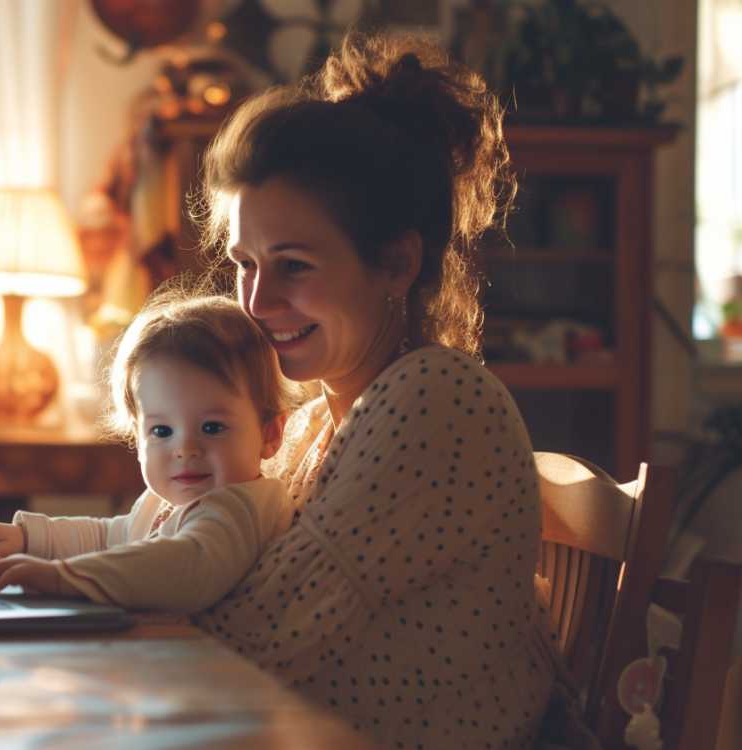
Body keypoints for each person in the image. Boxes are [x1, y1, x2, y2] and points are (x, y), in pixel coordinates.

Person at [186, 33, 578, 749]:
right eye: (245, 263)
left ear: (396, 262)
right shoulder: (311, 429)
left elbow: (249, 638)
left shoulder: (437, 400)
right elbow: (202, 569)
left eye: (294, 266)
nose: (256, 301)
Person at [0, 293, 300, 614]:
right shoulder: (163, 500)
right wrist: (28, 539)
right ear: (137, 436)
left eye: (212, 427)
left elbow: (189, 565)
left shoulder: (242, 505)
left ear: (270, 434)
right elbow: (110, 538)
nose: (185, 449)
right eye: (161, 431)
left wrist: (61, 577)